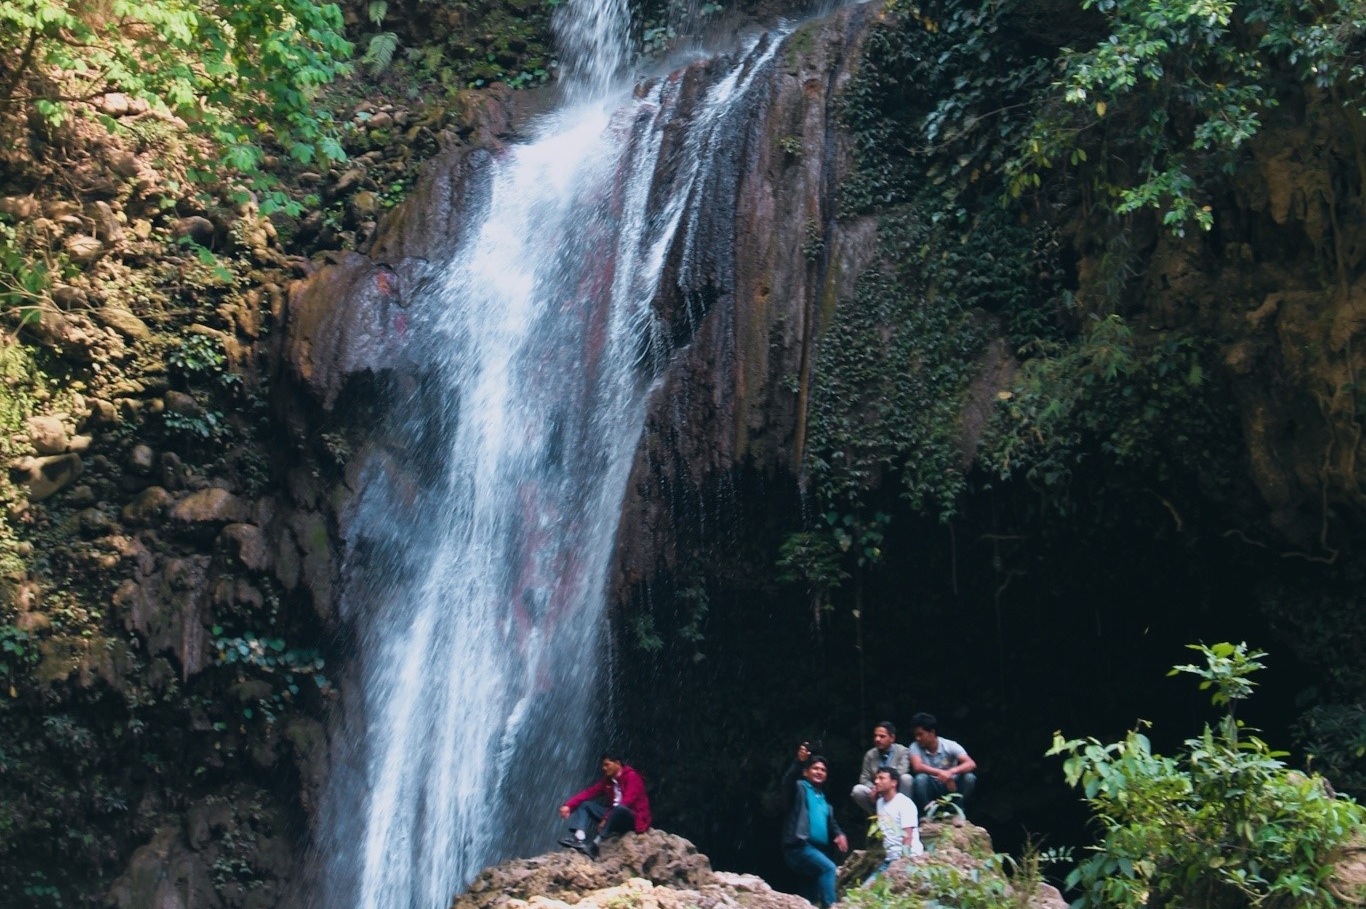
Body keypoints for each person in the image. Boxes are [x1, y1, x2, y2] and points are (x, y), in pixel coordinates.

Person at [782, 743, 848, 908]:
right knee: (829, 868)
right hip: (800, 847)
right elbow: (787, 782)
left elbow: (831, 823)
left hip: (816, 850)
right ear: (806, 772)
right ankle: (832, 906)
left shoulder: (824, 800)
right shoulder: (800, 788)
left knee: (810, 898)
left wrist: (839, 834)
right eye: (815, 768)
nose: (819, 772)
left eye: (823, 770)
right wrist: (798, 762)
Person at [559, 750, 651, 857]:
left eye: (607, 764)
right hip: (613, 816)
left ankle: (595, 845)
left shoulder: (632, 777)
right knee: (585, 805)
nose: (604, 768)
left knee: (619, 808)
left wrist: (606, 818)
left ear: (617, 763)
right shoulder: (608, 781)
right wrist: (569, 806)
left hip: (632, 819)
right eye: (603, 765)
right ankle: (578, 838)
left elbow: (627, 801)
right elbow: (589, 792)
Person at [907, 712, 977, 815]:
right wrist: (942, 773)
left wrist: (950, 772)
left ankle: (956, 809)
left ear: (932, 732)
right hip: (931, 786)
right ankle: (928, 811)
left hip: (950, 786)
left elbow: (971, 764)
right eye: (916, 735)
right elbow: (917, 767)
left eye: (920, 734)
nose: (917, 738)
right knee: (920, 779)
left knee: (970, 778)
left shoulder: (949, 745)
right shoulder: (914, 746)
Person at [866, 766, 922, 883]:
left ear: (894, 783)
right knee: (865, 891)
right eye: (876, 778)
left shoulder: (904, 803)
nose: (876, 782)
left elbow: (908, 836)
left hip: (909, 858)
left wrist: (903, 863)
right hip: (889, 859)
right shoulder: (880, 803)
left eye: (882, 778)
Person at [851, 720, 913, 816]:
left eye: (882, 736)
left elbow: (902, 771)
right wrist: (874, 788)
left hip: (895, 790)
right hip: (877, 792)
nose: (877, 739)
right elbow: (864, 778)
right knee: (857, 790)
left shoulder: (902, 751)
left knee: (906, 778)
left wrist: (886, 784)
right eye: (875, 736)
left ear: (892, 738)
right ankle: (878, 816)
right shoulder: (870, 755)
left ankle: (905, 813)